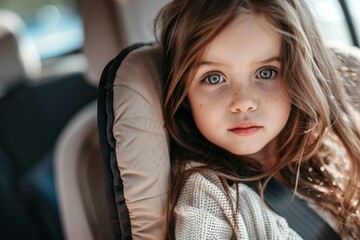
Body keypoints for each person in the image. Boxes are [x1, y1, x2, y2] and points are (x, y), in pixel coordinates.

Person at [155, 0, 360, 239]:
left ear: (299, 77)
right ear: (184, 94)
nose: (243, 101)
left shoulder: (329, 158)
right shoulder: (207, 195)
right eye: (213, 78)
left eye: (266, 73)